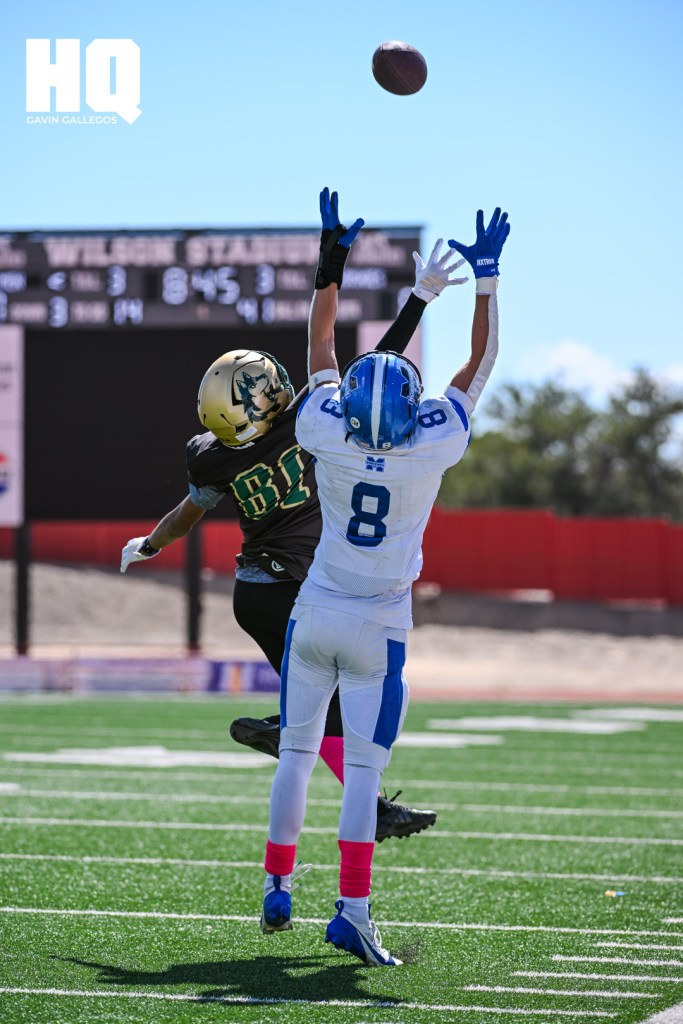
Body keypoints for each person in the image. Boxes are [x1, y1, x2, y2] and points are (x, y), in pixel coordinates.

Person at [120, 188, 460, 843]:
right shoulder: (308, 423)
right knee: (349, 695)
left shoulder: (214, 456)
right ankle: (292, 738)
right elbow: (358, 359)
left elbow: (189, 512)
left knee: (335, 700)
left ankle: (332, 769)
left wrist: (152, 543)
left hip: (260, 593)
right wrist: (414, 298)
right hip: (298, 591)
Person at [259, 206, 510, 967]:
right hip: (379, 626)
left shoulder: (323, 430)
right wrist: (487, 281)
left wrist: (329, 261)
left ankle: (276, 885)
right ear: (410, 410)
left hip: (315, 611)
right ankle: (353, 909)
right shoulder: (432, 442)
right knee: (362, 770)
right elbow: (481, 363)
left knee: (296, 756)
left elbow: (318, 346)